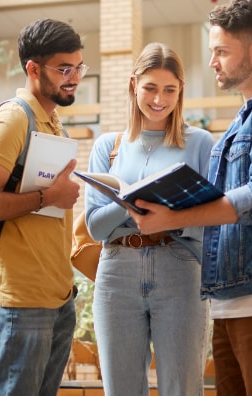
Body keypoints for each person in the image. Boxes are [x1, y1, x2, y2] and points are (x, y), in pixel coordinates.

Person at [132, 0, 252, 396]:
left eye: (221, 51)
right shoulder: (244, 115)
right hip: (232, 295)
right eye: (212, 52)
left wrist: (171, 218)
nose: (213, 62)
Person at [0, 18, 85, 396]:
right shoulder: (14, 119)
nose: (74, 77)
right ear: (33, 69)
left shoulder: (53, 121)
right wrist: (50, 198)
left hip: (57, 296)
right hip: (18, 299)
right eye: (64, 69)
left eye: (79, 67)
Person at [85, 42, 215, 396]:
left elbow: (214, 219)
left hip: (180, 269)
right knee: (121, 389)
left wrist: (167, 218)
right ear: (133, 85)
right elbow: (95, 226)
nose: (160, 99)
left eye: (170, 90)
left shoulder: (201, 144)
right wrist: (132, 200)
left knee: (182, 388)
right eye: (151, 88)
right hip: (116, 272)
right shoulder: (107, 146)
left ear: (181, 91)